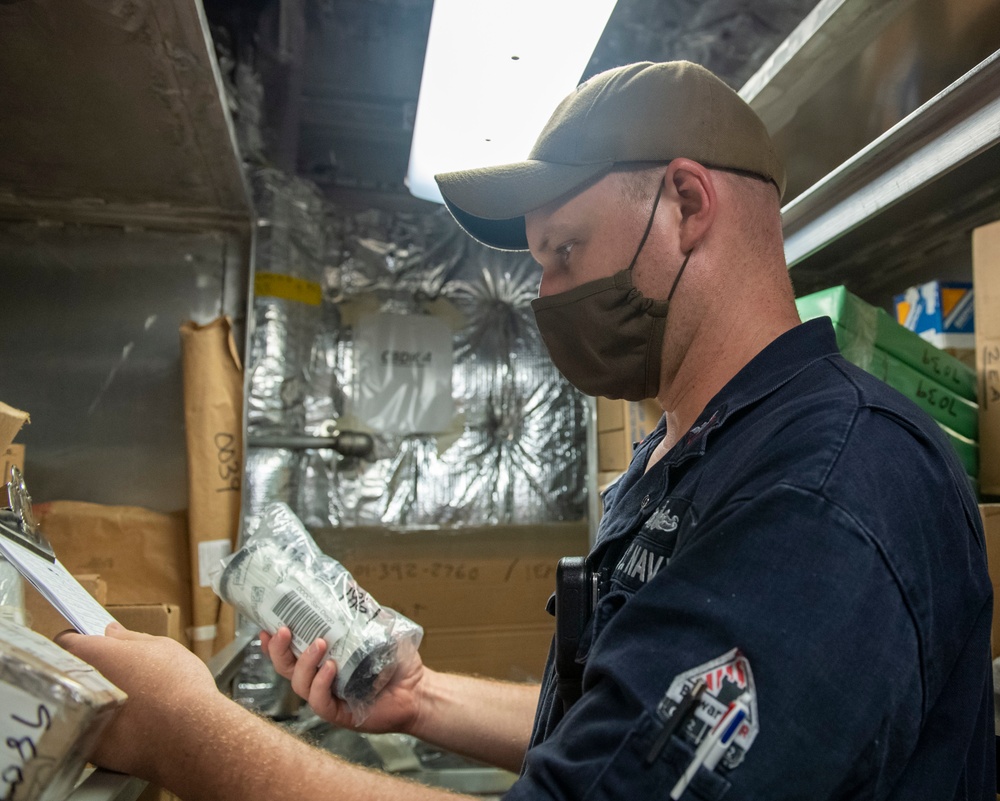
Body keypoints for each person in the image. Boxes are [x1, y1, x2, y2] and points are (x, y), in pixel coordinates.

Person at [59, 60, 994, 800]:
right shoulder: (688, 455)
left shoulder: (828, 489)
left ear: (688, 204)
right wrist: (418, 698)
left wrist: (179, 729)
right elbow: (634, 735)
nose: (545, 295)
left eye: (565, 252)